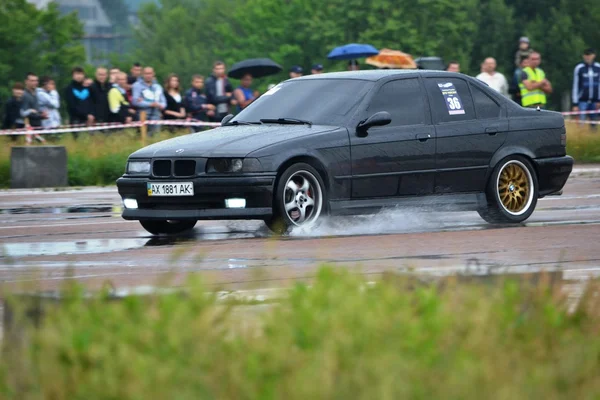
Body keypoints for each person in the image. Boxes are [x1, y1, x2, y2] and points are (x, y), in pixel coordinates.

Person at [132, 66, 166, 135]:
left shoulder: (157, 86)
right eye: (146, 74)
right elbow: (135, 101)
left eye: (150, 73)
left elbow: (163, 102)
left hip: (156, 115)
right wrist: (150, 104)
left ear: (153, 74)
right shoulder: (137, 85)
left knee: (156, 136)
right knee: (143, 136)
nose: (148, 76)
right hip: (143, 115)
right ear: (142, 74)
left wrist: (160, 105)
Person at [572, 48, 600, 127]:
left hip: (595, 102)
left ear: (593, 55)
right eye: (586, 55)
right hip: (582, 101)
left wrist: (599, 100)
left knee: (594, 125)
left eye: (589, 55)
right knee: (581, 124)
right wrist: (575, 104)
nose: (587, 57)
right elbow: (575, 86)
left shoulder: (598, 67)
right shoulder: (579, 68)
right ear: (583, 56)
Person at [20, 72, 46, 144]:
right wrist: (40, 116)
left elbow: (35, 110)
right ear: (26, 82)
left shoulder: (36, 93)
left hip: (38, 126)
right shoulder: (24, 95)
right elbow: (25, 113)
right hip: (29, 128)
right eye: (32, 81)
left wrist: (41, 114)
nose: (35, 83)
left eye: (36, 80)